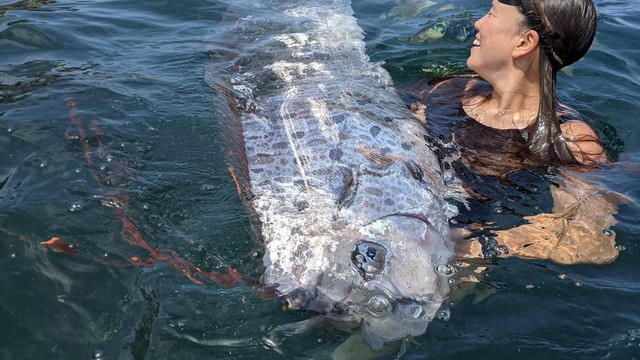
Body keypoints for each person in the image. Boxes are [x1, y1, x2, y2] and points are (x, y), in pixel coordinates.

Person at [409, 0, 620, 265]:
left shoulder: (570, 139)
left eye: (491, 13)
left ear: (524, 42)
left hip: (458, 259)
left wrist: (471, 243)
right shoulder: (446, 90)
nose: (477, 23)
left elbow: (587, 240)